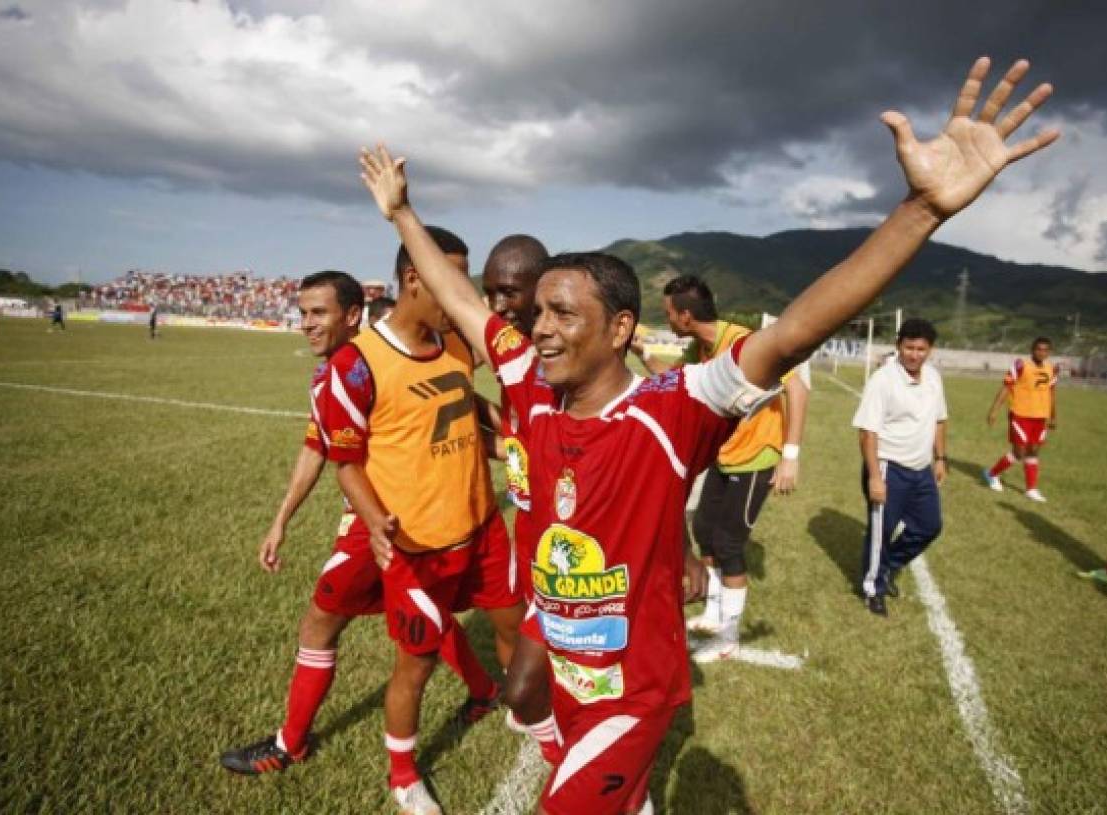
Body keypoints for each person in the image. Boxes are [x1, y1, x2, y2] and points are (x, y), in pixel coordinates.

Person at [359, 54, 1058, 814]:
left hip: (634, 688)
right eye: (539, 313)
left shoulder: (672, 406)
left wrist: (921, 210)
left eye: (565, 314)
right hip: (562, 657)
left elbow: (793, 331)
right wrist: (401, 212)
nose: (543, 328)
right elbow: (460, 300)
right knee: (524, 692)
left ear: (622, 328)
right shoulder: (528, 377)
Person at [318, 227, 524, 815]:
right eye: (452, 278)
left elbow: (462, 404)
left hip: (482, 524)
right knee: (418, 663)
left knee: (513, 623)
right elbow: (347, 461)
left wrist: (510, 442)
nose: (465, 294)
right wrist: (376, 520)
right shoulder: (357, 364)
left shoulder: (455, 342)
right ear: (415, 278)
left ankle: (520, 706)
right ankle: (403, 775)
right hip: (416, 545)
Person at [632, 275, 809, 660]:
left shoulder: (743, 344)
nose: (666, 319)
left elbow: (798, 388)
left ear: (685, 316)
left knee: (728, 545)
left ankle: (729, 638)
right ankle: (714, 614)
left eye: (667, 314)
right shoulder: (700, 348)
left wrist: (790, 455)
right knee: (704, 533)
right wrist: (643, 351)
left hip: (756, 457)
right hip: (724, 456)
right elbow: (673, 381)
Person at [477, 234, 566, 761]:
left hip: (568, 539)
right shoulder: (520, 365)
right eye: (489, 293)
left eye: (509, 291)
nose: (497, 306)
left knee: (542, 677)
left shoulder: (552, 360)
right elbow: (522, 434)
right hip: (529, 529)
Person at [852, 318, 948, 616]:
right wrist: (876, 478)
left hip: (921, 470)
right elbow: (868, 433)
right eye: (909, 347)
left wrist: (940, 458)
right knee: (882, 532)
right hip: (888, 467)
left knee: (930, 526)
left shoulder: (933, 377)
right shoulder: (883, 380)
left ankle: (887, 567)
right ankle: (873, 589)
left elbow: (939, 420)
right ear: (898, 346)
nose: (914, 354)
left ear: (930, 350)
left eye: (921, 349)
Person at [984, 336, 1057, 502]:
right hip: (1021, 415)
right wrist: (994, 410)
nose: (1042, 352)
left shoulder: (1051, 369)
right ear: (1032, 350)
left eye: (1046, 350)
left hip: (1041, 417)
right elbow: (1006, 387)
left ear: (1049, 352)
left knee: (1034, 451)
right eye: (1039, 349)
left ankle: (1031, 489)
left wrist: (1053, 416)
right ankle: (992, 473)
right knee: (1019, 452)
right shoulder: (1021, 365)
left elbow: (1052, 393)